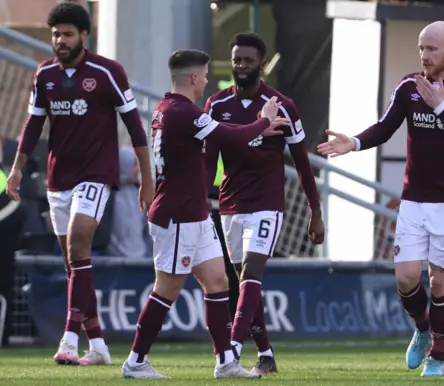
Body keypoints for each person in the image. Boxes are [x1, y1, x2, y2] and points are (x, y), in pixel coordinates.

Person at [317, 21, 444, 377]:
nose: (425, 55)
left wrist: (441, 107)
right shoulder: (409, 86)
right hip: (414, 198)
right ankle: (423, 330)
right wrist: (354, 143)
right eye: (421, 48)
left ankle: (437, 358)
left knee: (440, 282)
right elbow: (385, 126)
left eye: (432, 49)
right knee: (406, 278)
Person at [121, 49, 289, 380]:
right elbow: (229, 136)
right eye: (207, 74)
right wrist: (264, 120)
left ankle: (226, 361)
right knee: (166, 289)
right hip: (178, 215)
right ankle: (136, 361)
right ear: (195, 78)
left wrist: (256, 128)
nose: (209, 79)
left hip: (195, 214)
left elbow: (224, 134)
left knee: (218, 282)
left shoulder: (170, 109)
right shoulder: (183, 112)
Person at [5, 2, 154, 366]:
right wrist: (17, 169)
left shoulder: (107, 72)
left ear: (84, 36)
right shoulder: (44, 75)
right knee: (74, 263)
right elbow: (32, 127)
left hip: (96, 175)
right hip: (60, 178)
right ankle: (99, 344)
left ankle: (69, 339)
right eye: (56, 34)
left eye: (67, 34)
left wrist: (147, 179)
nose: (60, 40)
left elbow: (136, 127)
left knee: (78, 246)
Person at [204, 32, 325, 374]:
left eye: (248, 60)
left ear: (261, 64)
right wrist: (200, 197)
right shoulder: (216, 105)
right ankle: (267, 354)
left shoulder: (283, 104)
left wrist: (315, 211)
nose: (242, 66)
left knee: (252, 275)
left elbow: (302, 162)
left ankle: (231, 353)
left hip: (267, 203)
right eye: (237, 59)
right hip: (230, 204)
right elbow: (209, 158)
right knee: (244, 282)